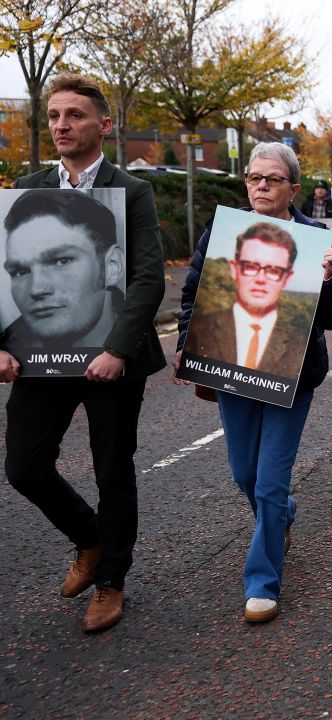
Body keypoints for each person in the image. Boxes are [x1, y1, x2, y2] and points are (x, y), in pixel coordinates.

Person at [2, 73, 165, 633]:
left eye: (74, 115)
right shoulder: (28, 186)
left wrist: (119, 348)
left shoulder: (134, 191)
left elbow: (146, 276)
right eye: (53, 116)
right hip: (40, 357)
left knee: (113, 471)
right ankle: (90, 539)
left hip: (111, 360)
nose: (62, 126)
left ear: (104, 124)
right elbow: (6, 275)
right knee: (23, 466)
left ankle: (111, 582)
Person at [175, 141, 332, 624]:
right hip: (232, 368)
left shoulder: (316, 235)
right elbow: (194, 293)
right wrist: (186, 345)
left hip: (292, 375)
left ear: (293, 187)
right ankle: (282, 517)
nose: (262, 186)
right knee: (243, 475)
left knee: (271, 481)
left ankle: (263, 580)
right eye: (254, 178)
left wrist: (331, 278)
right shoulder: (224, 229)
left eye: (272, 179)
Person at [182, 221, 313, 378]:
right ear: (234, 269)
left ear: (286, 277)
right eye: (250, 266)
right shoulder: (198, 331)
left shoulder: (300, 344)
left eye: (274, 270)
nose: (260, 279)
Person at [2, 189, 124, 348]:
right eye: (20, 271)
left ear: (112, 266)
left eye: (61, 261)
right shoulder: (8, 354)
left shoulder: (139, 344)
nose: (37, 289)